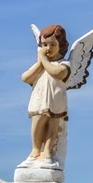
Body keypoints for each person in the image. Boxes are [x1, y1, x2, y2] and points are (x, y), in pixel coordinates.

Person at [21, 23, 70, 166]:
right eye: (44, 45)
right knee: (38, 121)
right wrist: (40, 63)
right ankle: (35, 150)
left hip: (55, 98)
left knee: (53, 124)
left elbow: (58, 73)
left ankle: (47, 151)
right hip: (39, 98)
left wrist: (43, 60)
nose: (48, 49)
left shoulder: (64, 63)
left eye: (52, 45)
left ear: (60, 45)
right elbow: (25, 77)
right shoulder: (40, 65)